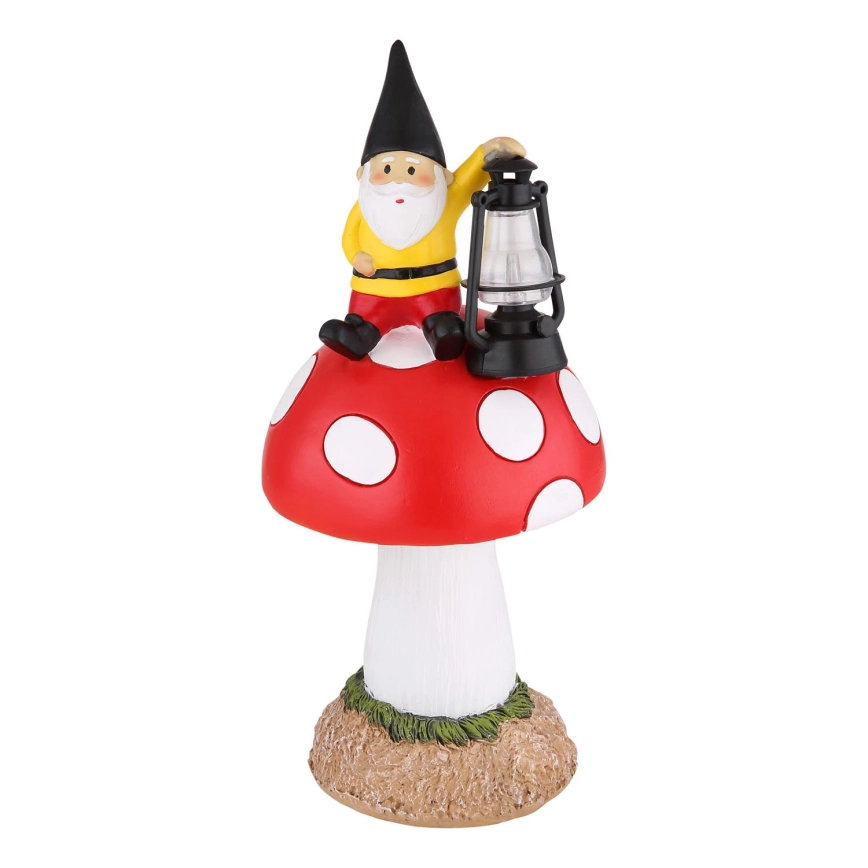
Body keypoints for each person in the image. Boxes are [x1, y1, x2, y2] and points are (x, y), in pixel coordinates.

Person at [319, 40, 524, 361]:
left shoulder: (444, 200)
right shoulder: (365, 206)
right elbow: (348, 236)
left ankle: (442, 328)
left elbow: (471, 175)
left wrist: (490, 151)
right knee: (366, 317)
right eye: (387, 169)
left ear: (443, 176)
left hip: (434, 289)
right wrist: (356, 256)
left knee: (442, 320)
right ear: (363, 175)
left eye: (413, 169)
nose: (400, 179)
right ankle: (359, 331)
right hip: (374, 293)